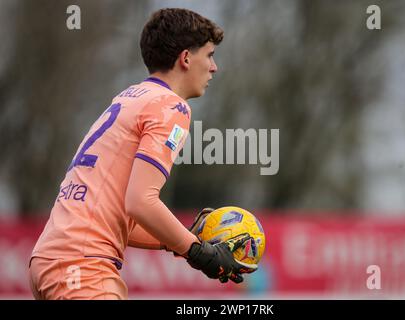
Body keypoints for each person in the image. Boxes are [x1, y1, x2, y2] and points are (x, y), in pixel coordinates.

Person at [28, 8, 256, 300]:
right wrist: (198, 252)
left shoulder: (130, 98)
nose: (214, 67)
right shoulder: (171, 107)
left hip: (51, 261)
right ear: (186, 58)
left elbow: (121, 215)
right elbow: (141, 202)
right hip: (83, 268)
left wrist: (184, 240)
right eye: (209, 55)